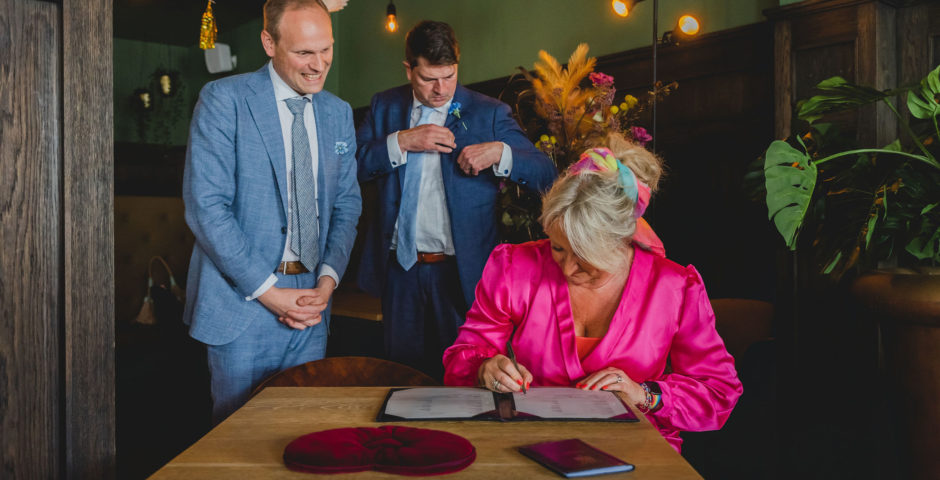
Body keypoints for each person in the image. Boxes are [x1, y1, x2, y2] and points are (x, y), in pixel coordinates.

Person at [443, 135, 742, 452]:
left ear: (621, 242)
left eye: (586, 258)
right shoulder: (514, 266)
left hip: (637, 450)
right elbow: (464, 354)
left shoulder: (674, 287)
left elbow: (718, 392)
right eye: (558, 248)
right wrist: (483, 368)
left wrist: (644, 395)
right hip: (533, 441)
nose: (567, 268)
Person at [182, 0, 361, 423]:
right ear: (269, 42)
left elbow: (347, 204)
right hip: (243, 303)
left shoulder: (338, 113)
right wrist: (269, 292)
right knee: (240, 435)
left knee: (302, 431)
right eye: (303, 52)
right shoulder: (223, 99)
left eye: (326, 49)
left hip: (313, 303)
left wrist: (328, 280)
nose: (318, 65)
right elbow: (206, 206)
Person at [355, 20, 556, 378]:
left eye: (449, 76)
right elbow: (353, 166)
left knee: (465, 378)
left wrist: (500, 152)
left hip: (462, 274)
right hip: (400, 272)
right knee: (402, 377)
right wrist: (401, 141)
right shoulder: (384, 106)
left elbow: (546, 173)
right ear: (409, 69)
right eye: (428, 78)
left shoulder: (488, 112)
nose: (441, 89)